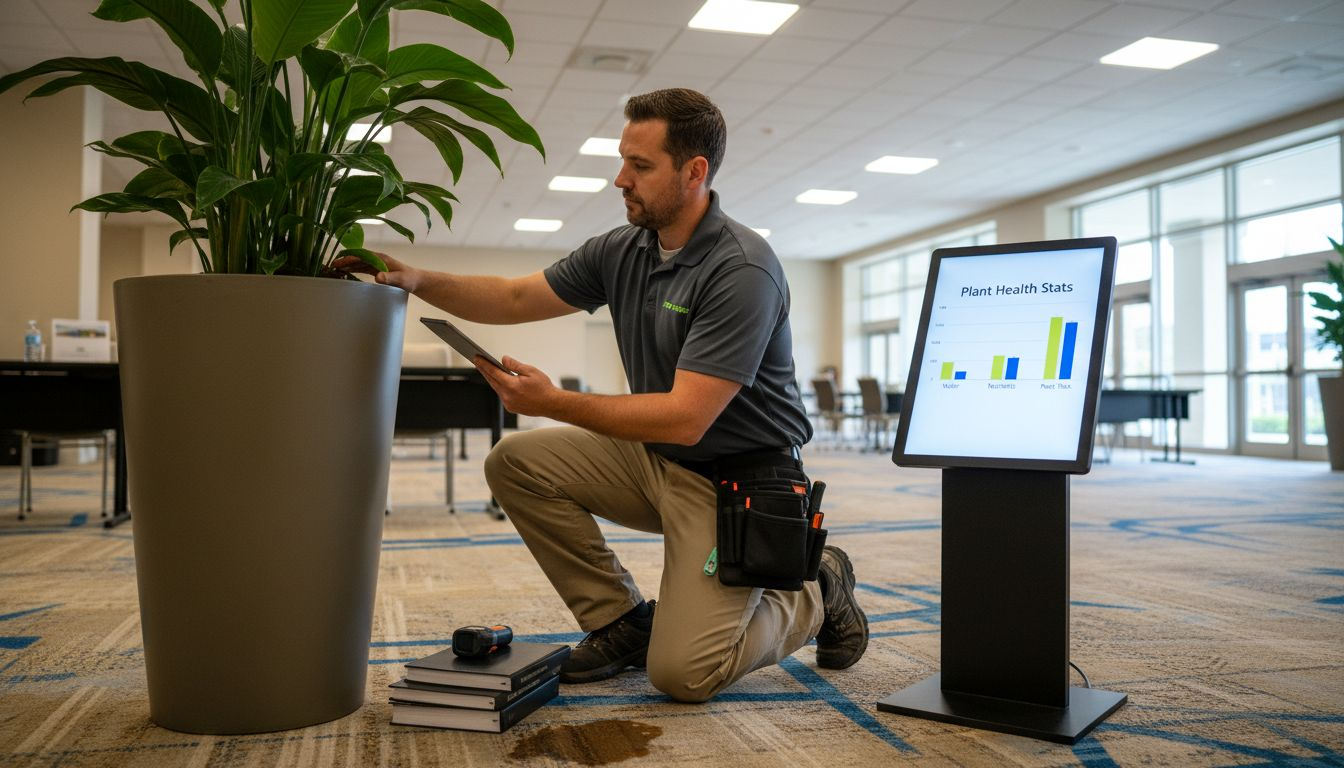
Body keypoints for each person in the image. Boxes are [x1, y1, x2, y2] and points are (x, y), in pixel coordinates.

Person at [338, 88, 867, 702]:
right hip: (655, 458)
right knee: (515, 462)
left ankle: (817, 588)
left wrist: (551, 402)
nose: (621, 179)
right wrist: (416, 278)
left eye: (640, 166)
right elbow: (513, 298)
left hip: (739, 482)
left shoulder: (741, 269)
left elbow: (688, 418)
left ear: (695, 172)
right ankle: (622, 621)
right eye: (624, 160)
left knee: (683, 676)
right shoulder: (622, 249)